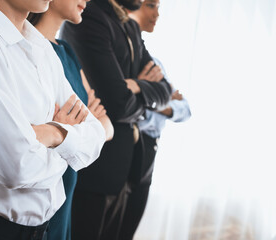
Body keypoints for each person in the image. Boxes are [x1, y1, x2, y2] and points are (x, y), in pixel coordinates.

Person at [0, 0, 106, 239]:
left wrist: (50, 133)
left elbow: (96, 136)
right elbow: (18, 167)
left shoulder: (40, 46)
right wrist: (67, 147)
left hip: (42, 230)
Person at [60, 0, 172, 239]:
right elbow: (117, 104)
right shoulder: (88, 17)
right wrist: (140, 91)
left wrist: (135, 86)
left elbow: (165, 90)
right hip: (95, 173)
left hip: (127, 173)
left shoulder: (129, 26)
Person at [28, 0, 114, 238]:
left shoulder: (66, 51)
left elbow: (105, 127)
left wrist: (66, 130)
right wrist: (77, 130)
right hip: (39, 189)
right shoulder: (28, 50)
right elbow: (25, 137)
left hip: (68, 185)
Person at [118, 1, 191, 239]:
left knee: (128, 227)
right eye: (151, 5)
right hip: (123, 144)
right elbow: (120, 101)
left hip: (149, 151)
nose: (157, 14)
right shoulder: (118, 55)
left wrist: (146, 92)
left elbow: (185, 109)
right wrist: (157, 95)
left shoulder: (154, 64)